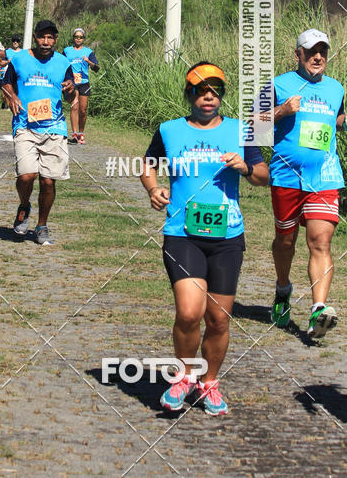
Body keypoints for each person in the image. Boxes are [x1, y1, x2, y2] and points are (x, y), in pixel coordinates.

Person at [142, 62, 268, 416]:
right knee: (188, 312)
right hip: (182, 233)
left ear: (221, 96)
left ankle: (209, 382)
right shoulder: (169, 130)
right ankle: (183, 376)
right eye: (200, 90)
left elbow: (263, 176)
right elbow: (148, 165)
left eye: (214, 91)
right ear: (190, 94)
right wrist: (153, 189)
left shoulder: (241, 131)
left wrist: (245, 167)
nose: (208, 97)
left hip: (227, 236)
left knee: (218, 319)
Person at [269, 29, 344, 338]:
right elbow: (250, 125)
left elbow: (336, 120)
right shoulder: (277, 84)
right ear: (297, 54)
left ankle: (319, 310)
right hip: (286, 176)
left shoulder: (337, 88)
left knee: (320, 242)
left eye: (323, 51)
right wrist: (282, 111)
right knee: (285, 242)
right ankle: (283, 289)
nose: (318, 57)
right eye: (312, 51)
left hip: (325, 176)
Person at [1, 19, 76, 245]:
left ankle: (42, 225)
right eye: (42, 37)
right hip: (25, 125)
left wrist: (71, 90)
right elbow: (6, 83)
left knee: (48, 181)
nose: (46, 42)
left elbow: (71, 96)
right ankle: (24, 205)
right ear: (35, 37)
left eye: (50, 38)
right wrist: (12, 96)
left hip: (54, 127)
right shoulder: (19, 59)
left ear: (55, 40)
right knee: (26, 175)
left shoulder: (64, 63)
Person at [63, 28, 99, 145]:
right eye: (76, 37)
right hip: (72, 83)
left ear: (83, 39)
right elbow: (60, 64)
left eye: (81, 37)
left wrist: (88, 61)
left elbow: (96, 68)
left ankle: (81, 133)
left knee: (83, 110)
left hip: (84, 82)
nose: (78, 39)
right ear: (73, 38)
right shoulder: (67, 51)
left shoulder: (88, 52)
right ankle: (74, 134)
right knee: (74, 106)